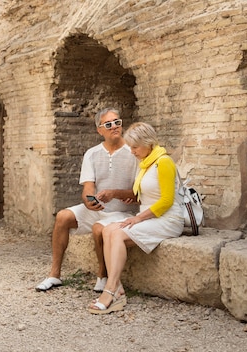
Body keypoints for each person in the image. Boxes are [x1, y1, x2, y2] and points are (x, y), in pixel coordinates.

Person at [35, 108, 139, 292]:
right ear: (100, 130)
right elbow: (88, 188)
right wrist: (88, 201)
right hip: (99, 209)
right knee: (62, 217)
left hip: (124, 212)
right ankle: (54, 274)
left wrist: (114, 193)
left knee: (99, 229)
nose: (114, 126)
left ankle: (102, 276)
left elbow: (139, 192)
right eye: (108, 124)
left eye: (117, 122)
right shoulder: (92, 153)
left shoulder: (134, 152)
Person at [88, 121, 184, 314]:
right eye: (130, 146)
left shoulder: (163, 161)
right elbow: (144, 196)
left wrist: (138, 219)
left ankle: (111, 289)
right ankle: (117, 288)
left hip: (168, 218)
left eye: (135, 147)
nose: (131, 151)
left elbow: (166, 201)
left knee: (117, 234)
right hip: (149, 216)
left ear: (148, 143)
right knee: (108, 230)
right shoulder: (146, 163)